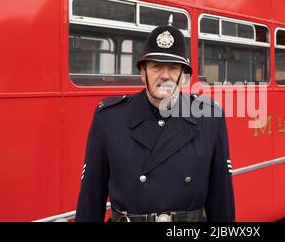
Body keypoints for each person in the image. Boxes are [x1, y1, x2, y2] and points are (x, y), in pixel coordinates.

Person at [75, 18, 235, 222]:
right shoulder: (109, 119)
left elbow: (222, 200)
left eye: (174, 68)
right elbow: (91, 197)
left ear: (184, 76)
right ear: (143, 73)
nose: (165, 75)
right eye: (156, 66)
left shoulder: (210, 119)